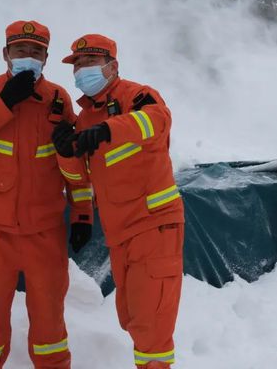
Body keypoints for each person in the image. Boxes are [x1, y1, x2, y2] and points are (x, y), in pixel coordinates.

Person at [0, 20, 92, 368]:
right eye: (20, 50)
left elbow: (75, 165)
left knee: (50, 328)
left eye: (36, 51)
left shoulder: (58, 99)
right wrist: (3, 101)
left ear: (45, 57)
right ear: (5, 54)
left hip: (45, 234)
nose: (28, 56)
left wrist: (83, 215)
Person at [52, 34, 184, 368]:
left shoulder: (137, 95)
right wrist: (66, 153)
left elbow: (159, 120)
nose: (82, 70)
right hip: (120, 234)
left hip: (154, 225)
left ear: (112, 66)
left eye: (90, 62)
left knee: (150, 324)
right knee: (131, 317)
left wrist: (111, 129)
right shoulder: (83, 119)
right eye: (77, 64)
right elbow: (81, 176)